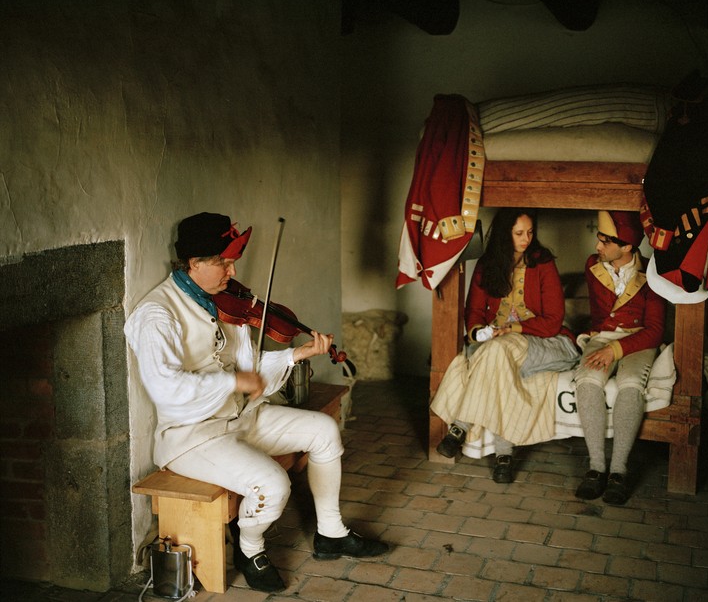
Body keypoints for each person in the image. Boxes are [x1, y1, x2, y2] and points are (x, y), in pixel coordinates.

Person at [124, 212, 388, 593]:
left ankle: (330, 532)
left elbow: (248, 368)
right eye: (222, 262)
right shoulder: (157, 313)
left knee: (324, 430)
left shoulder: (226, 302)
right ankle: (250, 550)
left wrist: (295, 356)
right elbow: (166, 386)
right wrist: (233, 380)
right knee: (273, 485)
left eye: (233, 261)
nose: (232, 271)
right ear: (195, 263)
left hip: (242, 417)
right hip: (192, 436)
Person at [430, 208, 580, 483]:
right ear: (504, 234)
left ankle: (460, 426)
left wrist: (512, 328)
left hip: (542, 342)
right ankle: (504, 457)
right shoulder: (488, 265)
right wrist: (478, 331)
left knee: (497, 353)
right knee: (498, 361)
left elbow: (553, 321)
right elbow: (473, 312)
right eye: (519, 233)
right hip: (497, 345)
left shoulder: (542, 262)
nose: (526, 239)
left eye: (530, 233)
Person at [573, 210, 666, 505]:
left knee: (629, 384)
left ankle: (618, 472)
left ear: (626, 246)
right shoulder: (593, 265)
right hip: (601, 337)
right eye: (598, 240)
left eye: (604, 241)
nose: (597, 247)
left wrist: (615, 351)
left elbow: (654, 331)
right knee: (587, 381)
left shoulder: (652, 274)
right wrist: (603, 345)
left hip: (637, 340)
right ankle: (596, 467)